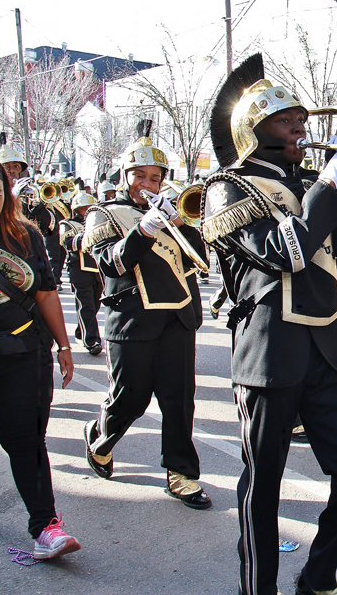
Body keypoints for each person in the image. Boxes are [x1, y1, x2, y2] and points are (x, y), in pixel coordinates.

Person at [202, 53, 337, 595]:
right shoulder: (228, 188)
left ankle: (320, 574)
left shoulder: (309, 180)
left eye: (302, 118)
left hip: (328, 345)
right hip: (270, 351)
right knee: (263, 488)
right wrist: (329, 184)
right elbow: (286, 251)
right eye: (285, 120)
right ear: (255, 131)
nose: (300, 127)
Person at [82, 122, 211, 510]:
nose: (148, 183)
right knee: (130, 399)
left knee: (178, 399)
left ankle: (181, 472)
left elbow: (200, 262)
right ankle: (100, 436)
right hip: (132, 320)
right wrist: (143, 229)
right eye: (140, 175)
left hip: (176, 319)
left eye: (155, 177)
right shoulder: (104, 213)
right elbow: (110, 263)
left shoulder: (173, 213)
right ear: (125, 176)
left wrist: (183, 224)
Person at [0, 155, 80, 559]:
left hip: (25, 353)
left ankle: (46, 527)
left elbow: (45, 292)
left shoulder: (26, 235)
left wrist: (64, 345)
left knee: (26, 441)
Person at [59, 191, 104, 355]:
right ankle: (92, 341)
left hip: (97, 269)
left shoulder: (99, 221)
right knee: (87, 306)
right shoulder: (68, 224)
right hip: (79, 270)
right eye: (84, 208)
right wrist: (87, 235)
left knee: (95, 304)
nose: (87, 210)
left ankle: (81, 331)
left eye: (90, 207)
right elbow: (68, 243)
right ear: (76, 209)